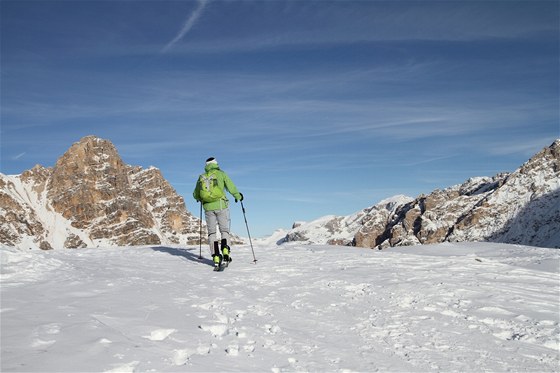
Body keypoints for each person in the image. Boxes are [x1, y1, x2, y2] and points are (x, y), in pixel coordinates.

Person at [193, 157, 243, 268]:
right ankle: (225, 252)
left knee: (212, 233)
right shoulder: (221, 174)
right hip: (221, 205)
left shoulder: (201, 177)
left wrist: (199, 198)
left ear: (206, 165)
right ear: (216, 163)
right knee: (224, 230)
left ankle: (216, 256)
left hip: (208, 208)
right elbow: (230, 186)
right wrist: (238, 196)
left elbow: (196, 194)